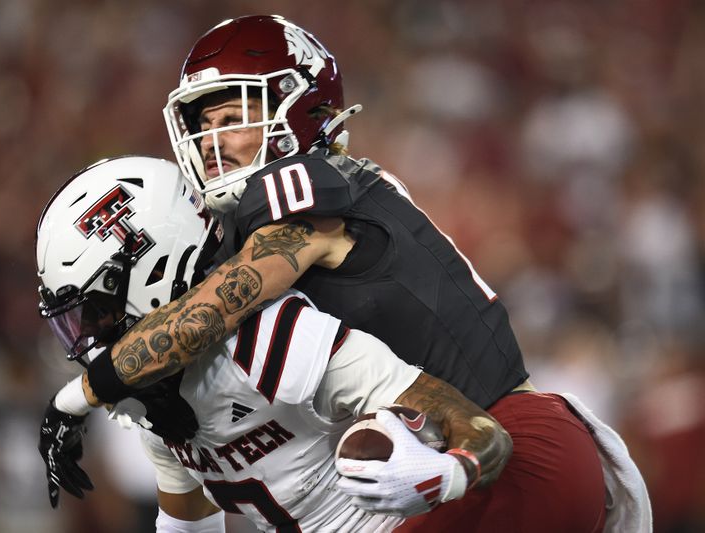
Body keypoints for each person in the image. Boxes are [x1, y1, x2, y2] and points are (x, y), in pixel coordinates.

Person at [78, 15, 650, 532]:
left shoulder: (301, 191)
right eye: (204, 123)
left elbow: (217, 306)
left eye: (232, 118)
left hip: (501, 455)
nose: (212, 144)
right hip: (488, 457)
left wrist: (83, 391)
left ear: (295, 110)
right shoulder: (322, 193)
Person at [35, 155, 512, 531]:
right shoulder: (151, 400)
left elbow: (481, 430)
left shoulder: (274, 340)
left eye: (95, 310)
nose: (89, 334)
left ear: (154, 270)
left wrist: (448, 475)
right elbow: (186, 525)